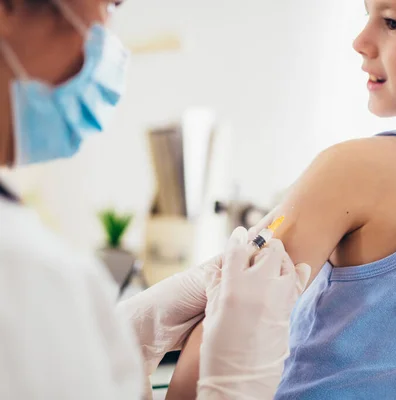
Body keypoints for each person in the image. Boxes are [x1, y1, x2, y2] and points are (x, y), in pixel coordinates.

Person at [171, 0, 396, 398]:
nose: (360, 41)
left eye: (393, 22)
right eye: (366, 15)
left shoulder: (358, 169)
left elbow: (223, 332)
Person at [0, 0, 310, 398]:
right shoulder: (25, 270)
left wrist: (118, 333)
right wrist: (232, 386)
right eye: (110, 4)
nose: (110, 37)